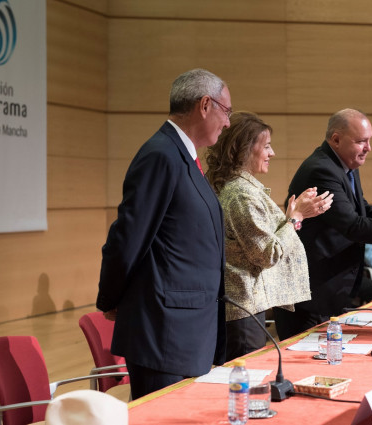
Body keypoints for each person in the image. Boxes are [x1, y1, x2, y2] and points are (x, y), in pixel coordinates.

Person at [96, 69, 230, 400]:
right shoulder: (161, 155)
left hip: (186, 331)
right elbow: (128, 238)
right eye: (226, 111)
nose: (227, 122)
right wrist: (111, 299)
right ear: (204, 105)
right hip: (165, 333)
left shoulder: (183, 156)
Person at [273, 108, 372, 340]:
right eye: (361, 141)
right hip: (310, 292)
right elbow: (352, 225)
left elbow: (356, 209)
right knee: (309, 360)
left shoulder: (343, 164)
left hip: (326, 286)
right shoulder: (321, 170)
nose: (368, 148)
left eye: (369, 140)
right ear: (336, 139)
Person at [205, 111, 333, 360]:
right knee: (245, 386)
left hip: (247, 306)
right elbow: (267, 254)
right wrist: (297, 218)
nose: (272, 153)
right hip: (243, 309)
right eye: (267, 146)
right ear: (244, 150)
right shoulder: (241, 194)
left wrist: (290, 219)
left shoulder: (242, 189)